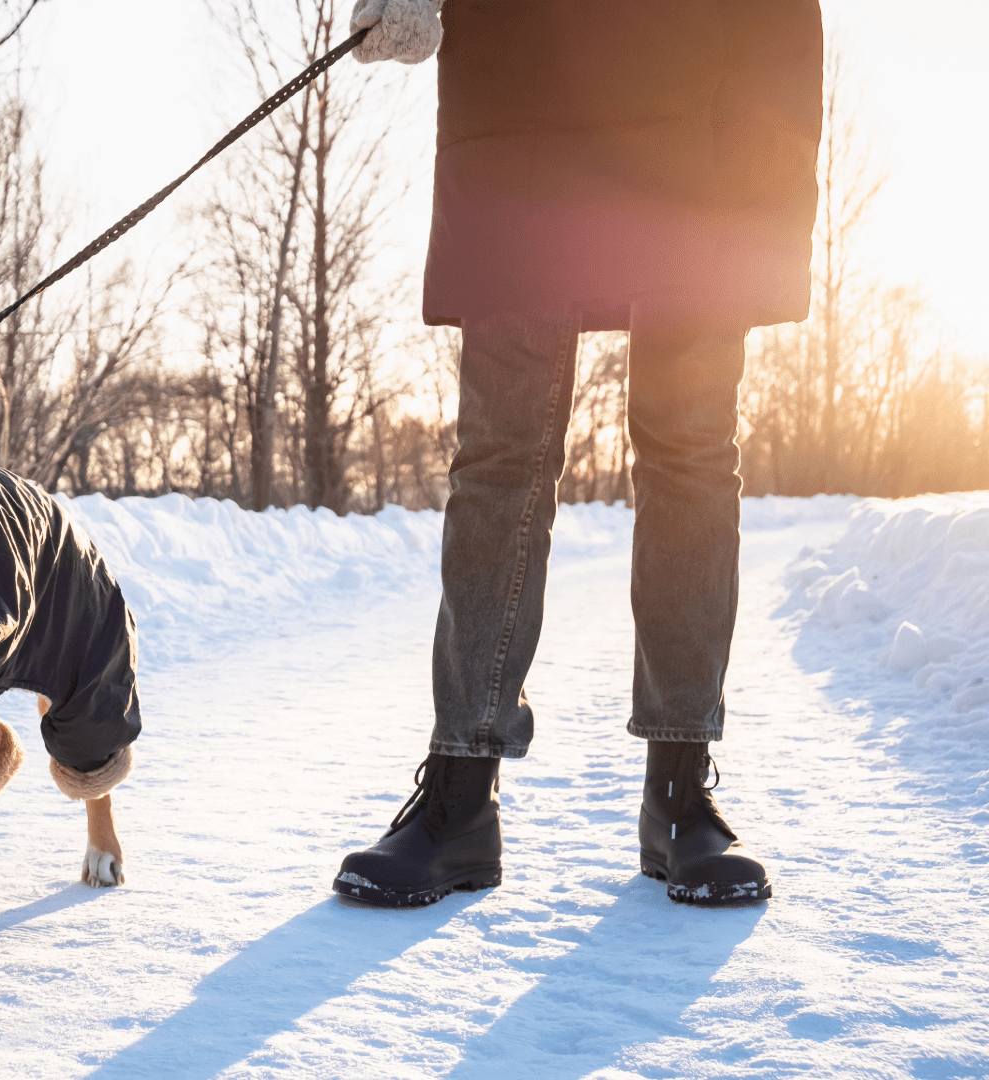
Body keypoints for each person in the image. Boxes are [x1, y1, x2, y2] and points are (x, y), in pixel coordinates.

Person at [333, 0, 823, 907]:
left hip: (708, 84)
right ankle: (460, 793)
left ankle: (681, 790)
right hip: (526, 80)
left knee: (689, 448)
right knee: (498, 451)